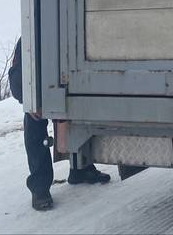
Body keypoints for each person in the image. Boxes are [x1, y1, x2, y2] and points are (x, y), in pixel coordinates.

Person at [9, 38, 111, 211]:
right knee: (34, 124)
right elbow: (17, 75)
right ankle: (40, 187)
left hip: (68, 80)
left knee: (77, 117)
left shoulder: (72, 28)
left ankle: (81, 168)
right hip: (38, 86)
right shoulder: (30, 36)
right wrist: (28, 100)